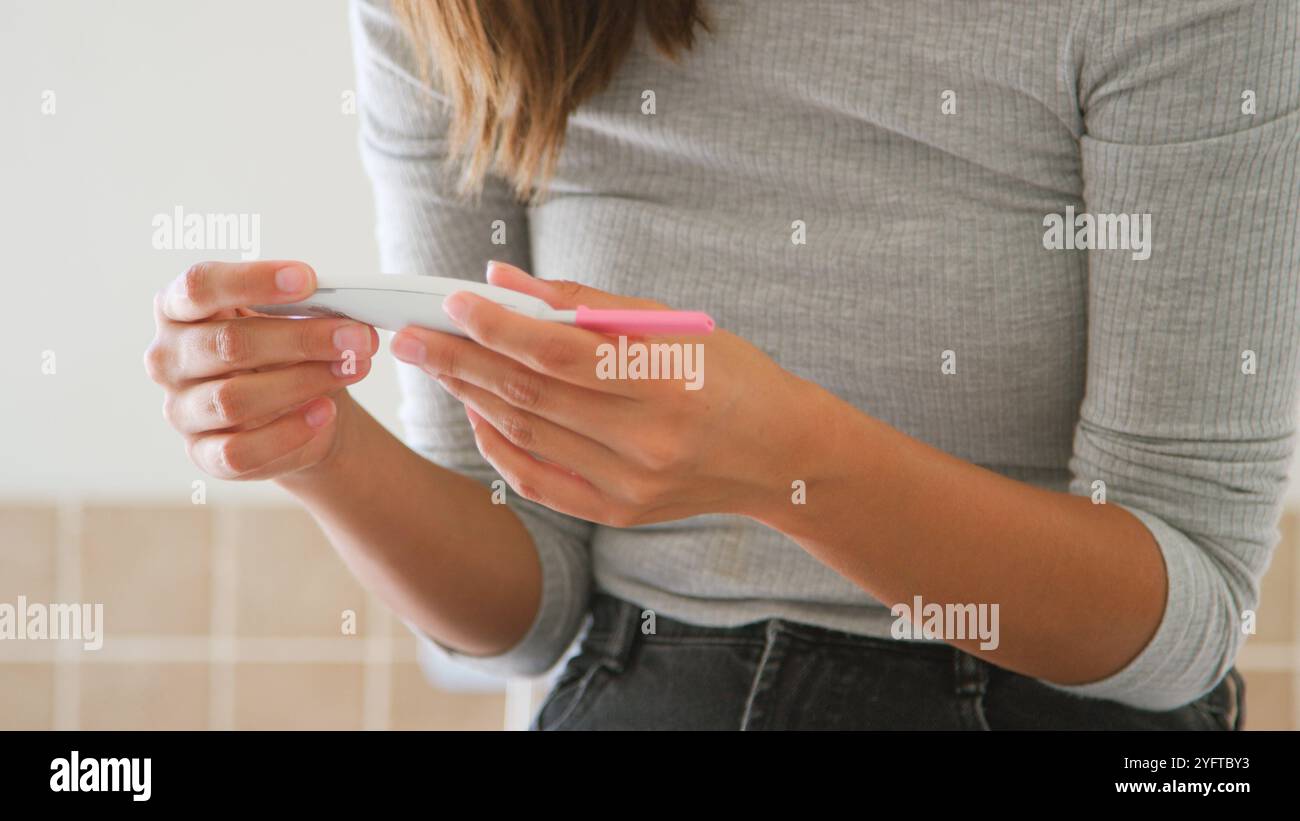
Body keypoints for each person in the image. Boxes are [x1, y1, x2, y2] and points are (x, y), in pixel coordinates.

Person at [144, 0, 1299, 729]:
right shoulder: (453, 14)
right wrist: (318, 445)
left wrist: (783, 462)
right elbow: (525, 615)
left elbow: (1178, 623)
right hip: (633, 681)